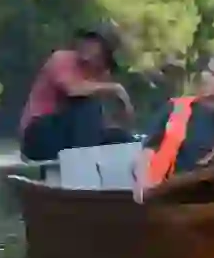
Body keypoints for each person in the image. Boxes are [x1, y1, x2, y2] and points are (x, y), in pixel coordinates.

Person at [132, 54, 214, 203]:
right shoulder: (175, 107)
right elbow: (148, 149)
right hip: (174, 195)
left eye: (213, 74)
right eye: (205, 70)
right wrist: (141, 182)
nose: (204, 76)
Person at [19, 27, 136, 162]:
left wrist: (124, 107)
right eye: (87, 40)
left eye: (94, 44)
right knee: (86, 105)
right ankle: (83, 168)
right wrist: (116, 89)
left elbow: (105, 121)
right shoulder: (62, 59)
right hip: (38, 134)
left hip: (71, 138)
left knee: (122, 139)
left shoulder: (100, 75)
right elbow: (72, 90)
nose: (87, 45)